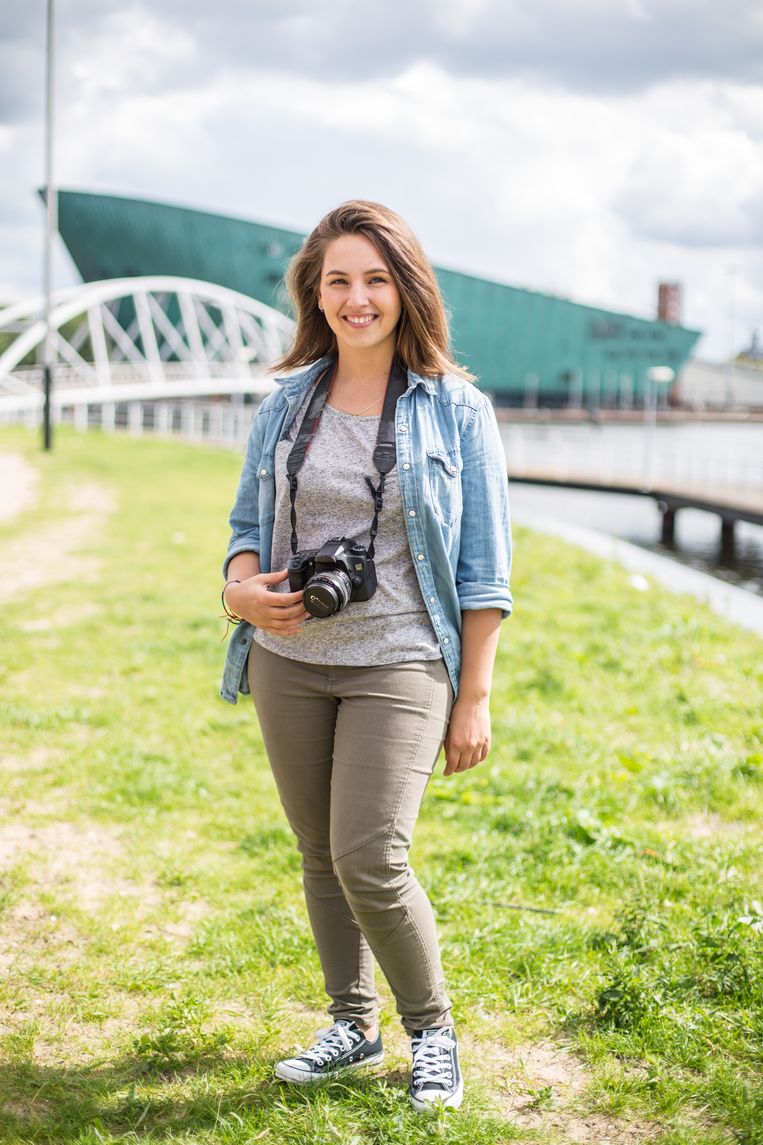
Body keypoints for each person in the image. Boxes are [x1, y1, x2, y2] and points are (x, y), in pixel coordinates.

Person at [220, 200, 512, 1111]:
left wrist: (473, 696)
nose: (357, 298)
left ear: (405, 289)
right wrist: (237, 588)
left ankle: (432, 1032)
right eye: (338, 280)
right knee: (318, 852)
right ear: (316, 292)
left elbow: (484, 570)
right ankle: (351, 1023)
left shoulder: (455, 410)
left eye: (375, 279)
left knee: (369, 854)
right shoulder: (285, 405)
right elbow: (241, 529)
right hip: (290, 657)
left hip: (399, 660)